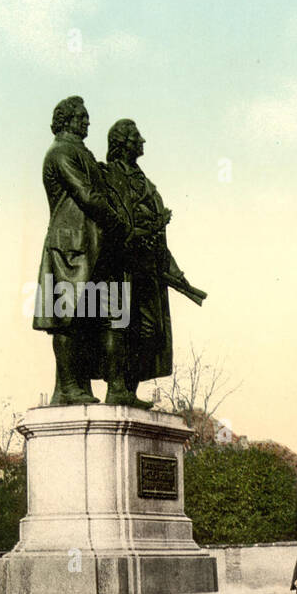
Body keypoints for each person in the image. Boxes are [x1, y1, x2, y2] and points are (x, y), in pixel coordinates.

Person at [97, 119, 206, 407]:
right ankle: (116, 387)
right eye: (136, 137)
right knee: (118, 324)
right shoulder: (107, 176)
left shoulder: (147, 184)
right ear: (122, 143)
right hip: (119, 265)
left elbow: (160, 237)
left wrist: (176, 273)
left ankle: (129, 389)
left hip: (148, 270)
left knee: (147, 331)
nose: (143, 141)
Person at [31, 96, 126, 405]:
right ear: (65, 120)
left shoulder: (80, 153)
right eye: (82, 117)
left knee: (86, 318)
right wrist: (117, 219)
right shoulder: (61, 153)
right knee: (67, 317)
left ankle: (75, 388)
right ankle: (69, 388)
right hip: (70, 246)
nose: (87, 122)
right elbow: (87, 196)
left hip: (89, 246)